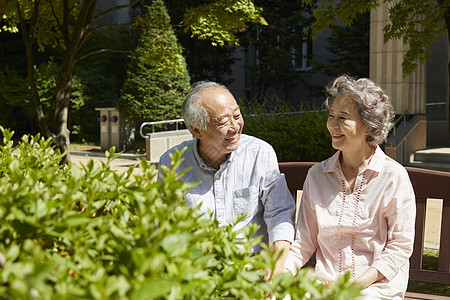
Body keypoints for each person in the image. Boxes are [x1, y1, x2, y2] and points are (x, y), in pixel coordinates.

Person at [284, 75, 416, 299]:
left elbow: (399, 246)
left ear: (368, 126)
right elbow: (304, 241)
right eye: (331, 116)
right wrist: (281, 274)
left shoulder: (393, 177)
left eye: (343, 118)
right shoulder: (317, 176)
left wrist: (353, 286)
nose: (332, 125)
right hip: (324, 284)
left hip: (374, 288)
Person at [158, 81, 295, 279]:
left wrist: (274, 264)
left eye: (237, 116)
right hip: (198, 270)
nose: (235, 126)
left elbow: (280, 214)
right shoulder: (172, 163)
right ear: (197, 130)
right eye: (223, 122)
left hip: (253, 266)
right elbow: (164, 226)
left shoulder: (259, 153)